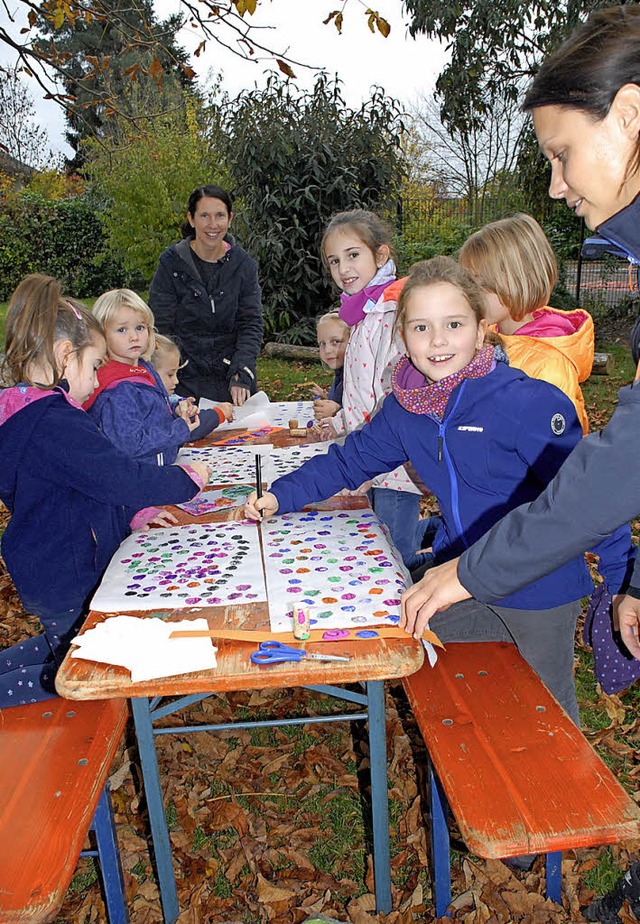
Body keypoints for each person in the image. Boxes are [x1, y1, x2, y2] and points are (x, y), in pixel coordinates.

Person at [243, 256, 634, 723]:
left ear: (482, 327)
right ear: (402, 336)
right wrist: (280, 495)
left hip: (539, 587)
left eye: (453, 323)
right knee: (447, 698)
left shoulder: (526, 401)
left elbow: (585, 492)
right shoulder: (405, 409)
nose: (439, 340)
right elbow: (351, 459)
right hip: (457, 573)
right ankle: (455, 781)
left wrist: (621, 580)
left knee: (545, 717)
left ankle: (555, 790)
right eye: (422, 328)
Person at [399, 4, 640, 659]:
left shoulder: (541, 370)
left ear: (629, 114)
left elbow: (609, 468)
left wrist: (473, 569)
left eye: (562, 155)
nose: (557, 186)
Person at [0, 274, 212, 707]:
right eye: (95, 365)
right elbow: (119, 477)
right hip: (68, 571)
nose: (98, 380)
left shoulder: (29, 415)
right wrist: (184, 481)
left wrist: (134, 514)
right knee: (84, 667)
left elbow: (83, 487)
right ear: (64, 355)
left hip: (53, 561)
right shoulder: (55, 422)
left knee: (70, 643)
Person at [316, 209, 426, 570]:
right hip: (372, 454)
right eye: (334, 260)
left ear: (380, 255)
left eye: (353, 255)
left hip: (395, 462)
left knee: (395, 558)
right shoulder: (363, 311)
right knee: (382, 539)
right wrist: (342, 424)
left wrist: (363, 444)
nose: (343, 268)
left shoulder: (392, 310)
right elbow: (364, 391)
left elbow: (394, 393)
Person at [459, 213, 594, 434]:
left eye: (479, 282)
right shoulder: (487, 338)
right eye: (467, 281)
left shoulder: (549, 365)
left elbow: (554, 449)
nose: (468, 293)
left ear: (521, 279)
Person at [85, 290, 232, 464]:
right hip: (141, 478)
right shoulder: (118, 391)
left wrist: (176, 406)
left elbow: (149, 408)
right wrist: (179, 429)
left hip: (160, 466)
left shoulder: (142, 367)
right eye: (122, 329)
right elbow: (131, 445)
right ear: (102, 336)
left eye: (140, 327)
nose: (134, 337)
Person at [149, 184, 264, 406]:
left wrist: (242, 371)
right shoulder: (170, 264)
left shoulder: (244, 265)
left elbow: (250, 323)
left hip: (232, 379)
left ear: (230, 218)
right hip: (184, 379)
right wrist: (172, 372)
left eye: (220, 215)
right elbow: (161, 326)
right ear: (191, 219)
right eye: (204, 216)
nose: (213, 225)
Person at [149, 332, 234, 442]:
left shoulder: (161, 398)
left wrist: (180, 407)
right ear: (148, 373)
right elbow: (189, 430)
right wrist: (219, 413)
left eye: (176, 374)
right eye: (170, 375)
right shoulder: (150, 406)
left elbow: (173, 402)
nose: (176, 381)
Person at [310, 310, 350, 421]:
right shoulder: (340, 372)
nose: (327, 350)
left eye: (336, 342)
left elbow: (367, 411)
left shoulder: (358, 377)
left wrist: (336, 411)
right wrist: (327, 398)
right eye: (322, 344)